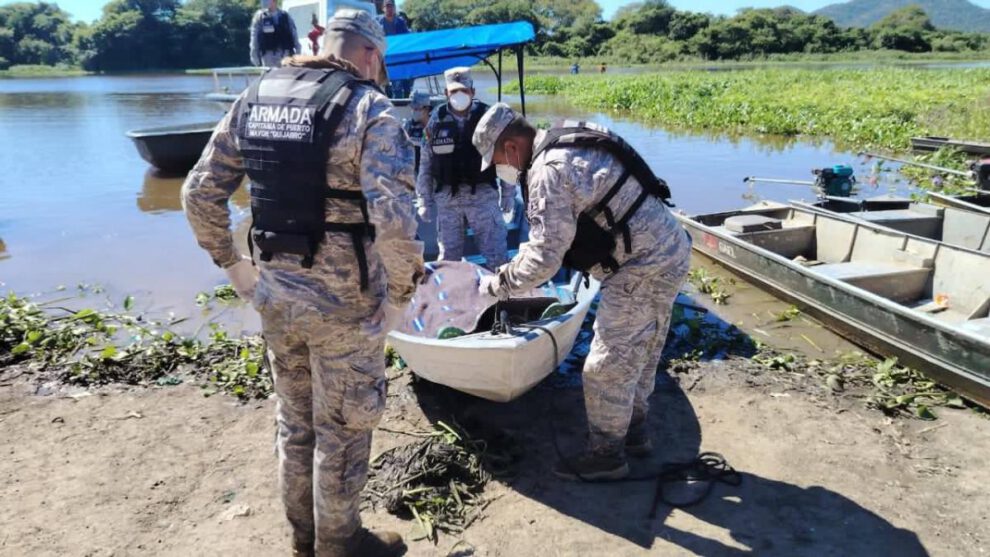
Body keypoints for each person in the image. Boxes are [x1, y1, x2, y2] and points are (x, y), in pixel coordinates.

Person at [182, 9, 422, 557]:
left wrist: (235, 270)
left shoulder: (256, 96)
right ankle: (341, 545)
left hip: (275, 296)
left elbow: (198, 194)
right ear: (369, 54)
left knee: (296, 423)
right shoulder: (370, 108)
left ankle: (303, 540)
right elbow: (396, 221)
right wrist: (402, 296)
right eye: (379, 61)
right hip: (346, 308)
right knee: (343, 428)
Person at [472, 103, 691, 481]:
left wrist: (497, 285)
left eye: (495, 163)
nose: (500, 172)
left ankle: (607, 455)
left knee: (605, 366)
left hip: (640, 266)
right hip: (670, 249)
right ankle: (635, 432)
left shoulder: (547, 172)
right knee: (642, 348)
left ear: (510, 148)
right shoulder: (567, 138)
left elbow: (543, 259)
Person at [416, 67, 512, 269]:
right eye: (453, 92)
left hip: (483, 197)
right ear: (446, 94)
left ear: (473, 92)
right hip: (448, 201)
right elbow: (426, 165)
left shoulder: (490, 119)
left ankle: (504, 298)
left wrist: (509, 194)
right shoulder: (435, 122)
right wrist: (424, 200)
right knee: (448, 260)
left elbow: (505, 158)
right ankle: (453, 298)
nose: (459, 96)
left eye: (464, 91)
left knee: (497, 255)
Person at [250, 0, 300, 68]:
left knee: (286, 77)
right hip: (268, 55)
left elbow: (294, 34)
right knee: (270, 77)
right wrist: (254, 54)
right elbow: (254, 37)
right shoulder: (259, 17)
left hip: (285, 54)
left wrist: (298, 50)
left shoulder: (285, 15)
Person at [404, 90, 431, 168]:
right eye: (412, 108)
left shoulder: (434, 125)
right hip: (413, 169)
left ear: (426, 109)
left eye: (417, 108)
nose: (413, 111)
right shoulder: (408, 126)